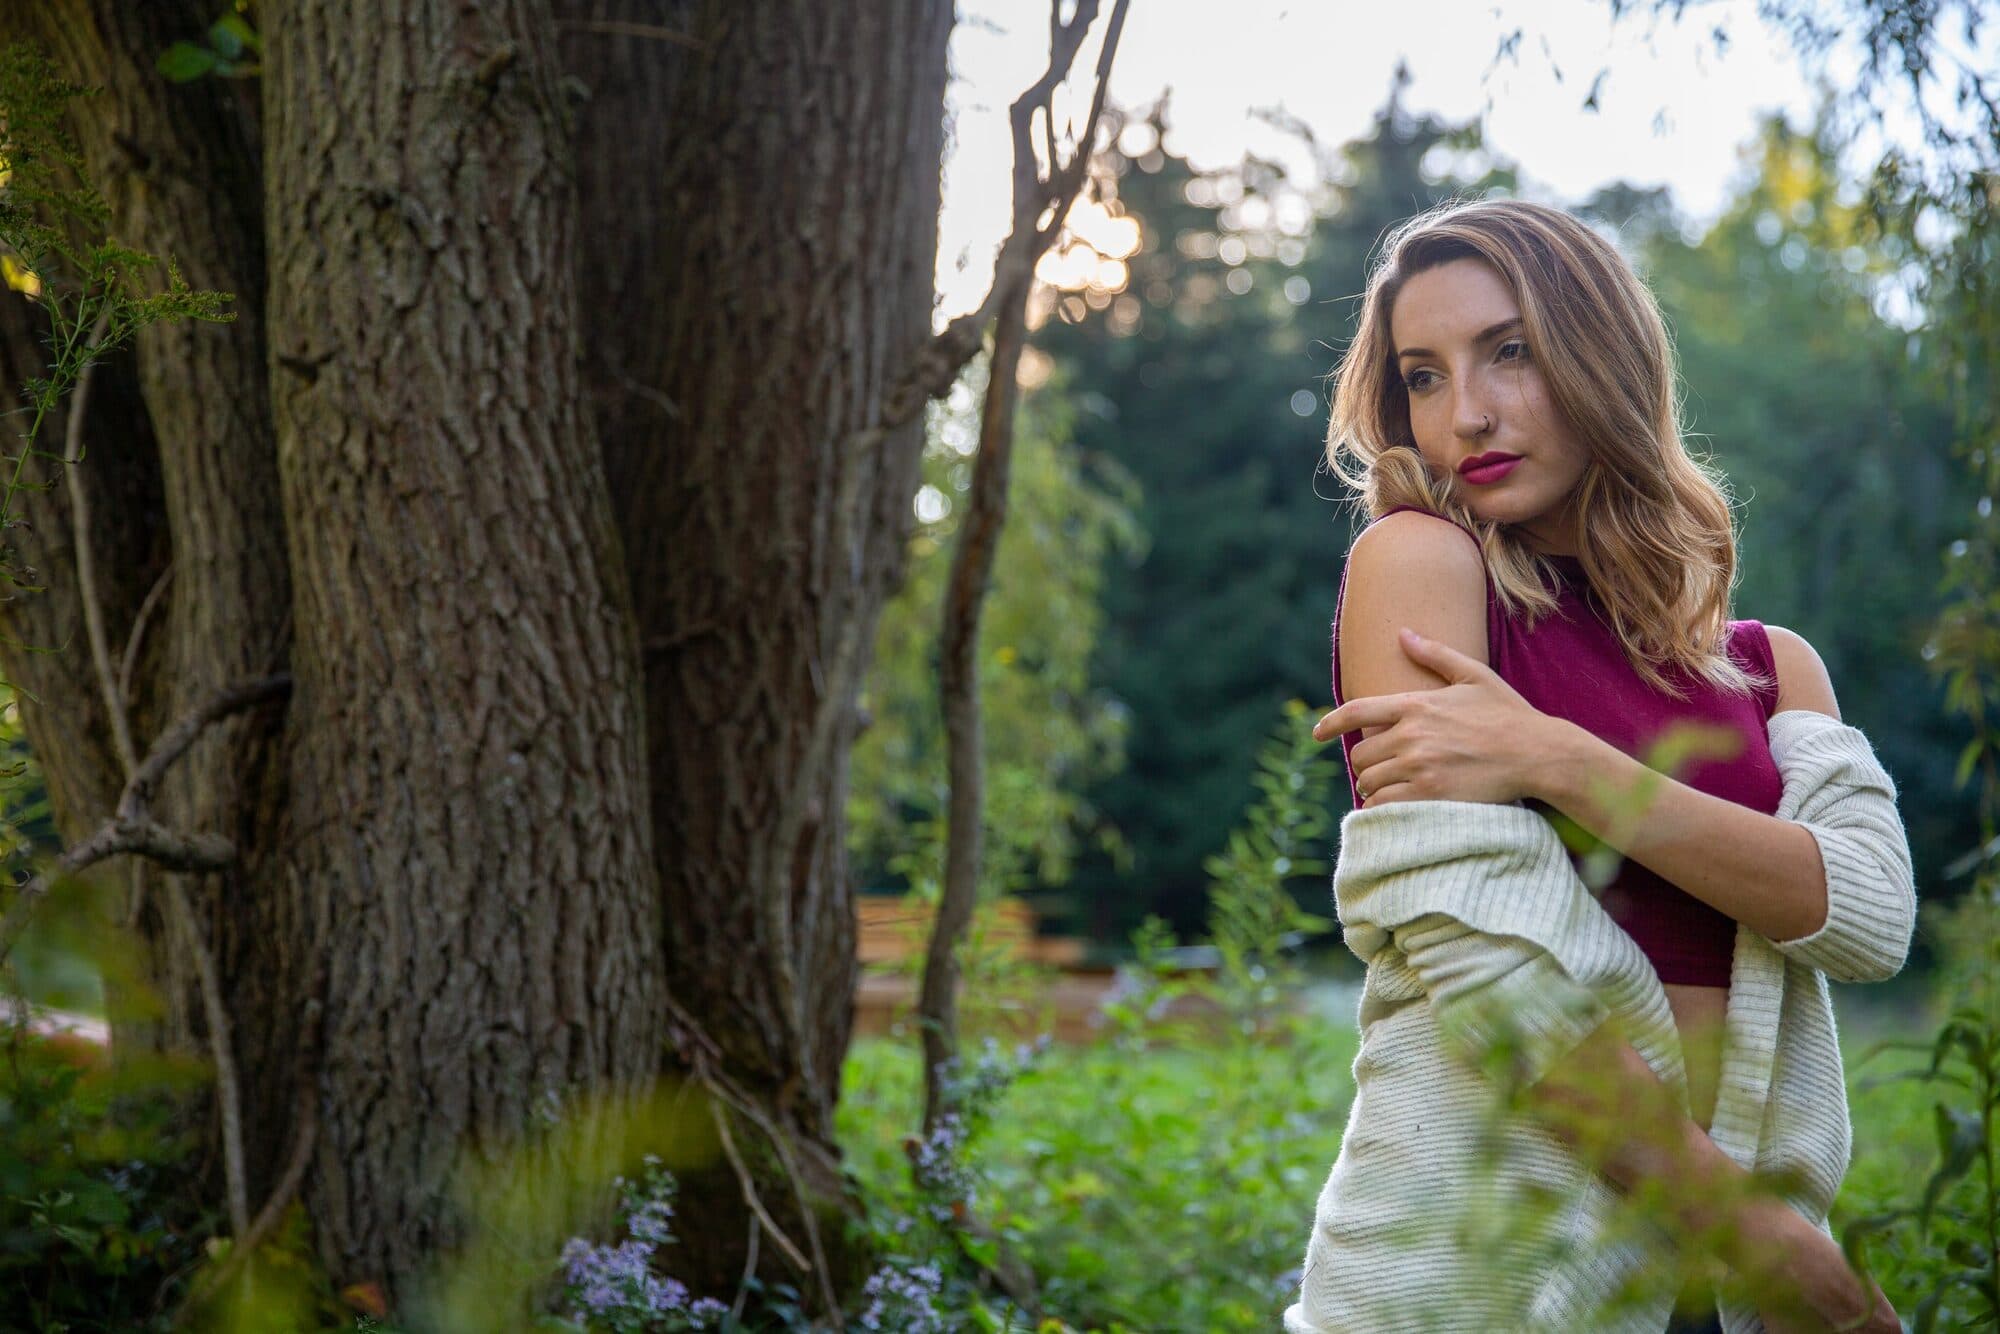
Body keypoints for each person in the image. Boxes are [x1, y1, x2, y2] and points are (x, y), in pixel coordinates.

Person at [1284, 197, 1912, 1333]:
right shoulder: (1421, 569)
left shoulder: (1774, 670)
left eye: (1507, 350)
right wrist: (1759, 1237)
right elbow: (1487, 960)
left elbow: (1866, 917)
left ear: (1600, 352)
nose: (1464, 413)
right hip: (1476, 1272)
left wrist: (1555, 758)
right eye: (1421, 377)